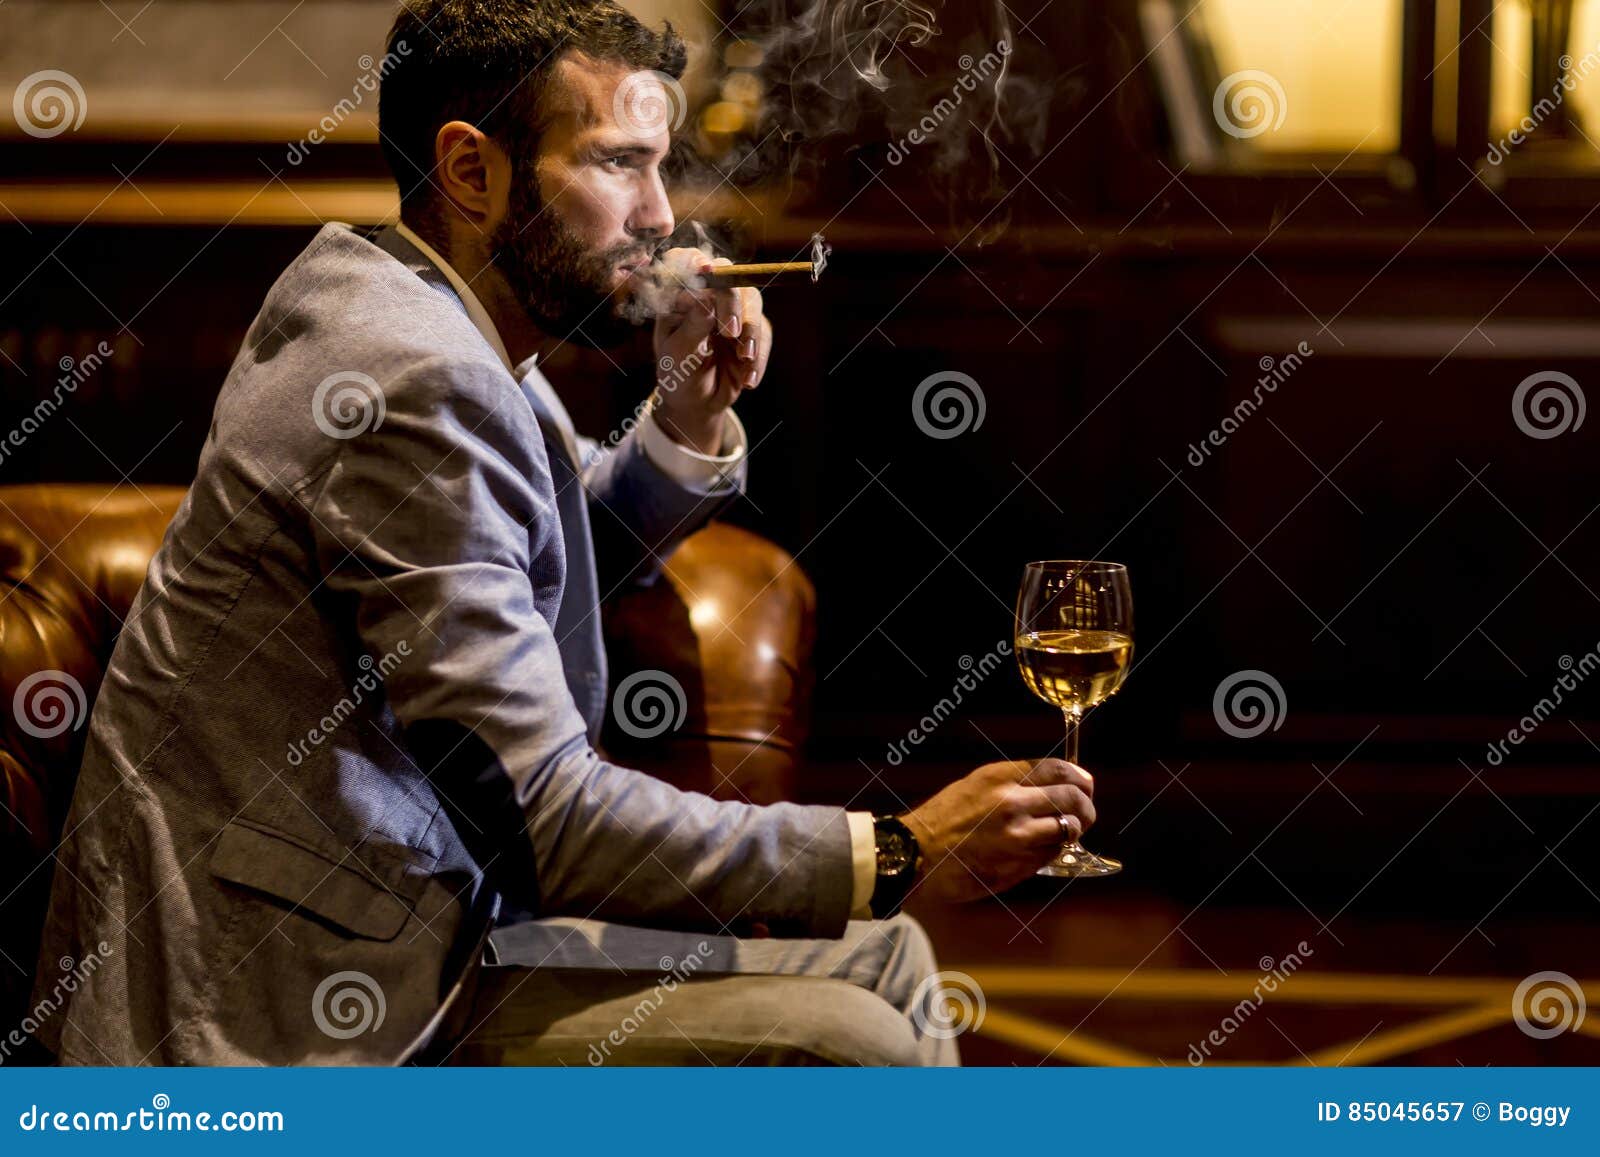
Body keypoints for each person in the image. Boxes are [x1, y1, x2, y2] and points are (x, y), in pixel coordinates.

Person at [31, 0, 1096, 1066]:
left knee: (892, 958)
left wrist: (683, 414)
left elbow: (528, 550)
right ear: (471, 170)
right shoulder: (416, 376)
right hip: (290, 1014)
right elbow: (552, 813)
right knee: (856, 1036)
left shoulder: (409, 304)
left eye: (661, 167)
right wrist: (902, 846)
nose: (661, 216)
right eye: (620, 165)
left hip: (414, 919)